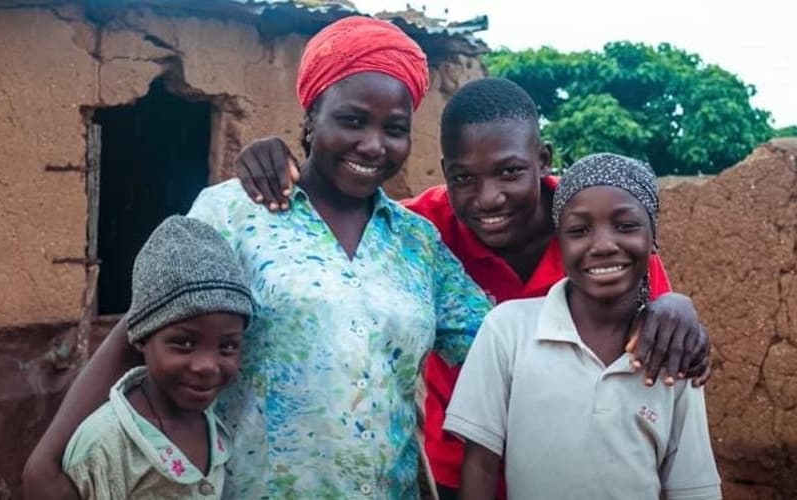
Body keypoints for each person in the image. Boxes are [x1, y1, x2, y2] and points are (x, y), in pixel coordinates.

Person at [23, 16, 492, 499]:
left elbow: (495, 345)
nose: (373, 145)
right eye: (352, 120)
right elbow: (140, 327)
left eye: (395, 129)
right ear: (311, 116)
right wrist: (48, 457)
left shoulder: (417, 243)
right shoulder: (236, 213)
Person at [227, 77, 711, 499]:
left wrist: (676, 304)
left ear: (541, 160)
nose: (488, 198)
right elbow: (333, 233)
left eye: (509, 172)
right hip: (460, 468)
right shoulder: (417, 233)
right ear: (444, 173)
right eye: (464, 178)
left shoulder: (593, 227)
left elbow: (655, 324)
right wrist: (276, 160)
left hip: (580, 465)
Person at [444, 153, 721, 500]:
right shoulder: (508, 330)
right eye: (579, 230)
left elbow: (690, 488)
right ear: (559, 243)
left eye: (626, 226)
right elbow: (480, 464)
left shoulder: (671, 351)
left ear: (653, 237)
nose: (603, 245)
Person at [62, 216, 254, 499]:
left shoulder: (213, 427)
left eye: (227, 347)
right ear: (141, 336)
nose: (207, 366)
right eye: (185, 343)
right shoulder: (105, 445)